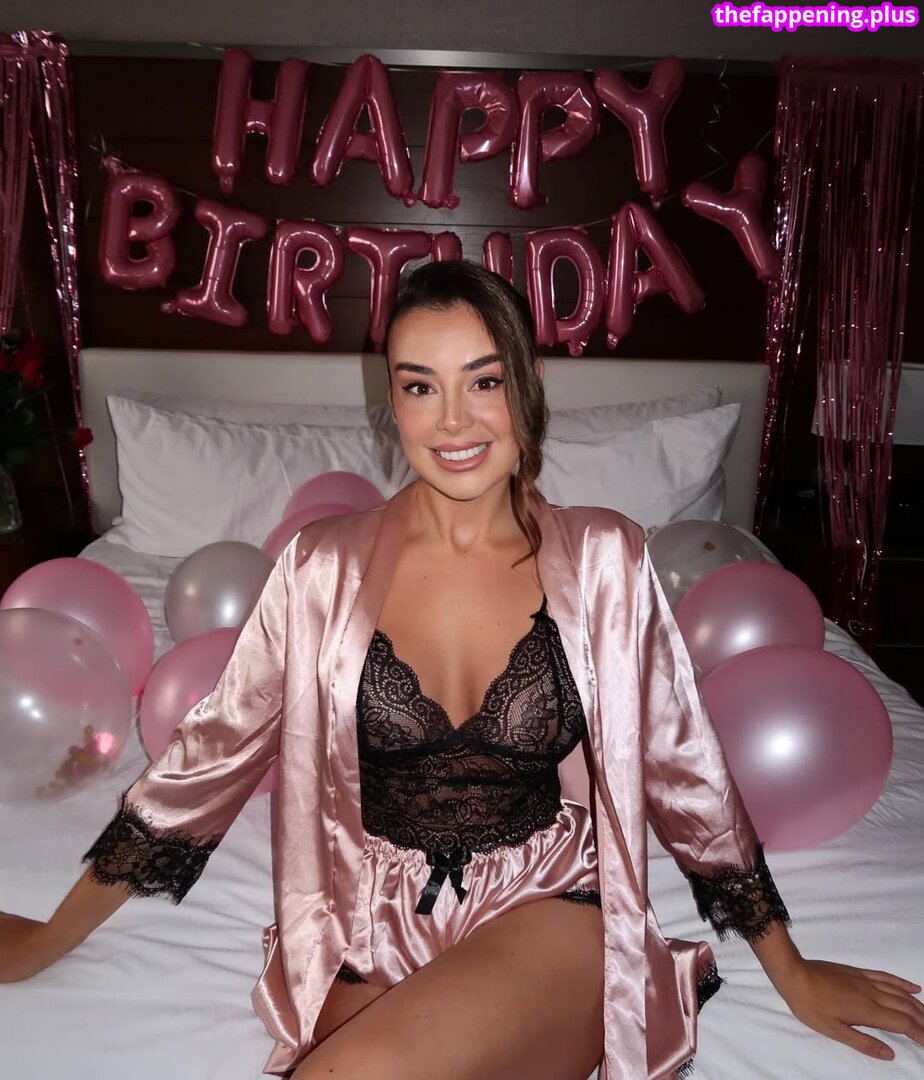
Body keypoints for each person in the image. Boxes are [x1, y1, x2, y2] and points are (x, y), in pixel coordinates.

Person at [1, 260, 922, 1080]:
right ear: (392, 402)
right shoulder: (321, 568)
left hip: (550, 905)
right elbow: (206, 762)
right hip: (372, 921)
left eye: (483, 381)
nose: (452, 421)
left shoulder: (604, 559)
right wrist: (47, 941)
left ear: (528, 386)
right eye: (420, 386)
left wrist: (791, 970)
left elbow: (687, 770)